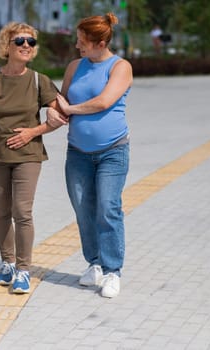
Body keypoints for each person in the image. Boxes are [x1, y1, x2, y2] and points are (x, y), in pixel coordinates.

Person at [0, 22, 63, 294]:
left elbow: (59, 117)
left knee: (23, 212)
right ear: (6, 46)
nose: (25, 46)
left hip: (28, 155)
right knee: (1, 212)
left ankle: (23, 269)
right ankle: (7, 263)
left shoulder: (38, 81)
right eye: (20, 41)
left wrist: (34, 131)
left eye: (31, 42)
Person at [47, 12, 133, 298]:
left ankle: (112, 271)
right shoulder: (75, 66)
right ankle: (94, 263)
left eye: (82, 41)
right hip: (78, 153)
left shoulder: (120, 67)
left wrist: (70, 110)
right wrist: (53, 110)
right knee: (83, 209)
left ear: (100, 42)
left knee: (107, 208)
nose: (77, 46)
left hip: (113, 151)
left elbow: (104, 101)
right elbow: (62, 101)